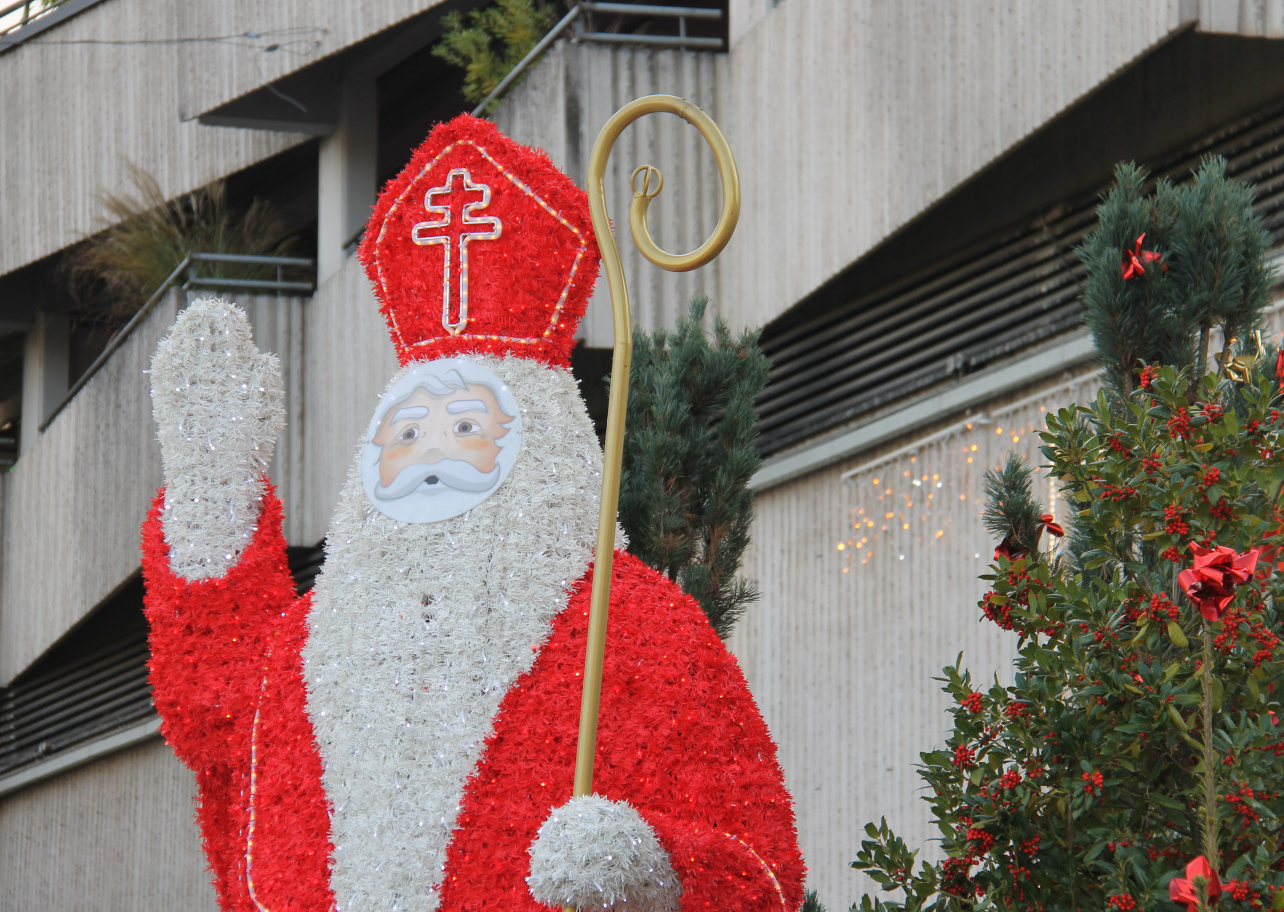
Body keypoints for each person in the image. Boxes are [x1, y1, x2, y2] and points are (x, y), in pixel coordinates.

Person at [142, 114, 805, 912]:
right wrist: (215, 509)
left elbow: (761, 871)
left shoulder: (639, 627)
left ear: (543, 448)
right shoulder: (304, 649)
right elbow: (217, 721)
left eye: (464, 428)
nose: (430, 452)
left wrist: (650, 870)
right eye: (409, 432)